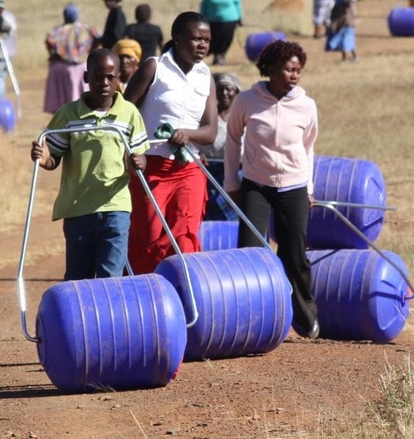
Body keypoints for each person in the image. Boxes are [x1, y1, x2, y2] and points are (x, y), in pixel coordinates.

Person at [223, 40, 319, 339]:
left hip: (294, 186)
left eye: (299, 71)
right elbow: (232, 141)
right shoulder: (247, 100)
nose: (294, 76)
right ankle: (251, 320)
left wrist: (309, 187)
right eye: (289, 69)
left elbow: (309, 146)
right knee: (249, 251)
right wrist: (232, 182)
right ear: (271, 69)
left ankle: (305, 318)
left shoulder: (306, 105)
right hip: (256, 186)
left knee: (295, 254)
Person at [31, 48, 148, 281]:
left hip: (116, 206)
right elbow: (53, 157)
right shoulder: (68, 115)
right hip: (78, 209)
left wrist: (139, 163)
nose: (103, 82)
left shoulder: (129, 114)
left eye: (110, 77)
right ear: (86, 78)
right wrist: (44, 158)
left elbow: (139, 158)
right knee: (78, 277)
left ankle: (111, 318)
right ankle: (81, 318)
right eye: (96, 76)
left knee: (111, 276)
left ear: (118, 79)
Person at [123, 11, 218, 275]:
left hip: (189, 169)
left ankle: (185, 299)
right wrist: (132, 154)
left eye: (207, 40)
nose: (202, 45)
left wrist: (187, 134)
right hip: (150, 167)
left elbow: (210, 132)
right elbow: (124, 115)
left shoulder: (205, 75)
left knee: (185, 237)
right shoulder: (154, 68)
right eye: (196, 39)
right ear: (177, 38)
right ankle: (146, 300)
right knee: (148, 238)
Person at [43, 4, 101, 114]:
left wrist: (54, 54)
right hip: (81, 66)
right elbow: (98, 37)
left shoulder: (58, 31)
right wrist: (91, 50)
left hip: (61, 67)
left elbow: (49, 41)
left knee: (61, 100)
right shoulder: (85, 29)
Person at [202, 72, 241, 221]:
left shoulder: (242, 117)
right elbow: (195, 143)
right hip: (208, 172)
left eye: (229, 89)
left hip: (235, 172)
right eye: (220, 89)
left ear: (237, 92)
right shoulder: (207, 117)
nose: (224, 93)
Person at [199, 0, 243, 66]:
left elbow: (237, 3)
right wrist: (201, 19)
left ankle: (221, 56)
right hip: (212, 20)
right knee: (213, 39)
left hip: (230, 19)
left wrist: (240, 17)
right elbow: (204, 5)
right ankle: (216, 56)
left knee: (225, 39)